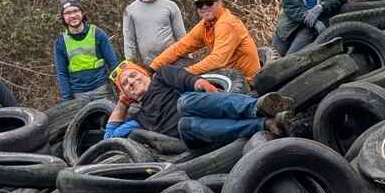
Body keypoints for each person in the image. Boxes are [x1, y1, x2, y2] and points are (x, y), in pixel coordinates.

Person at [107, 62, 292, 147]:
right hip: (196, 134)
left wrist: (206, 87)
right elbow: (109, 138)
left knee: (184, 103)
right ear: (126, 94)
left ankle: (259, 107)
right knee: (183, 125)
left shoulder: (162, 76)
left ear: (144, 74)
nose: (131, 82)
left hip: (202, 106)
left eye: (133, 75)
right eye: (125, 84)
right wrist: (123, 103)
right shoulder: (138, 118)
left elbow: (190, 81)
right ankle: (265, 124)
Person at [148, 0, 261, 80]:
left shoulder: (226, 23)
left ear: (220, 3)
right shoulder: (206, 24)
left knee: (186, 99)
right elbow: (180, 47)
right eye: (200, 4)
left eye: (209, 2)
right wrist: (152, 67)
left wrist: (185, 73)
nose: (204, 7)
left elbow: (218, 60)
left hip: (244, 82)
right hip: (226, 74)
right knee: (176, 63)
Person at [53, 0, 119, 100]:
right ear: (63, 17)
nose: (73, 15)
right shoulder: (60, 42)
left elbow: (113, 62)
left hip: (102, 90)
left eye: (76, 11)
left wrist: (120, 87)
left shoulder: (97, 33)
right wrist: (67, 99)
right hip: (78, 94)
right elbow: (62, 73)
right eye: (68, 13)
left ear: (82, 13)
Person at [122, 0, 186, 64]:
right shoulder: (130, 10)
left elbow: (181, 35)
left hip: (174, 60)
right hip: (149, 65)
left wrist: (188, 56)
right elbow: (129, 40)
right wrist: (131, 63)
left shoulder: (171, 6)